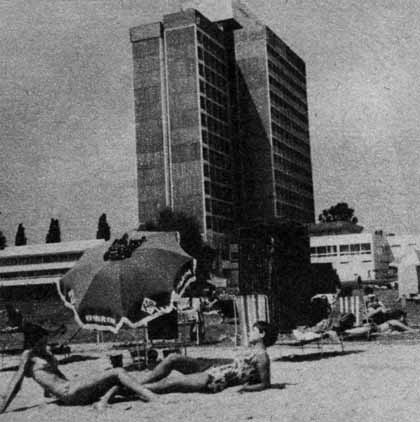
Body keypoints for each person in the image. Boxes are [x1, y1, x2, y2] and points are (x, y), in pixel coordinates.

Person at [96, 321, 277, 409]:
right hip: (213, 367)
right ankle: (136, 384)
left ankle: (119, 390)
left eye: (253, 330)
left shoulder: (262, 357)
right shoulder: (250, 349)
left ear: (262, 334)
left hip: (215, 379)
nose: (249, 332)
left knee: (169, 384)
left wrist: (246, 388)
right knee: (173, 358)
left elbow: (265, 384)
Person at [0, 324, 155, 414]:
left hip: (71, 386)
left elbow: (52, 375)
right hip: (68, 392)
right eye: (41, 340)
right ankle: (153, 398)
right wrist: (3, 408)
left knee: (117, 384)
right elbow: (16, 383)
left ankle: (104, 401)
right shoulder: (28, 355)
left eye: (45, 339)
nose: (45, 343)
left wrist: (47, 392)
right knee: (118, 372)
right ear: (33, 341)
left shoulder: (45, 353)